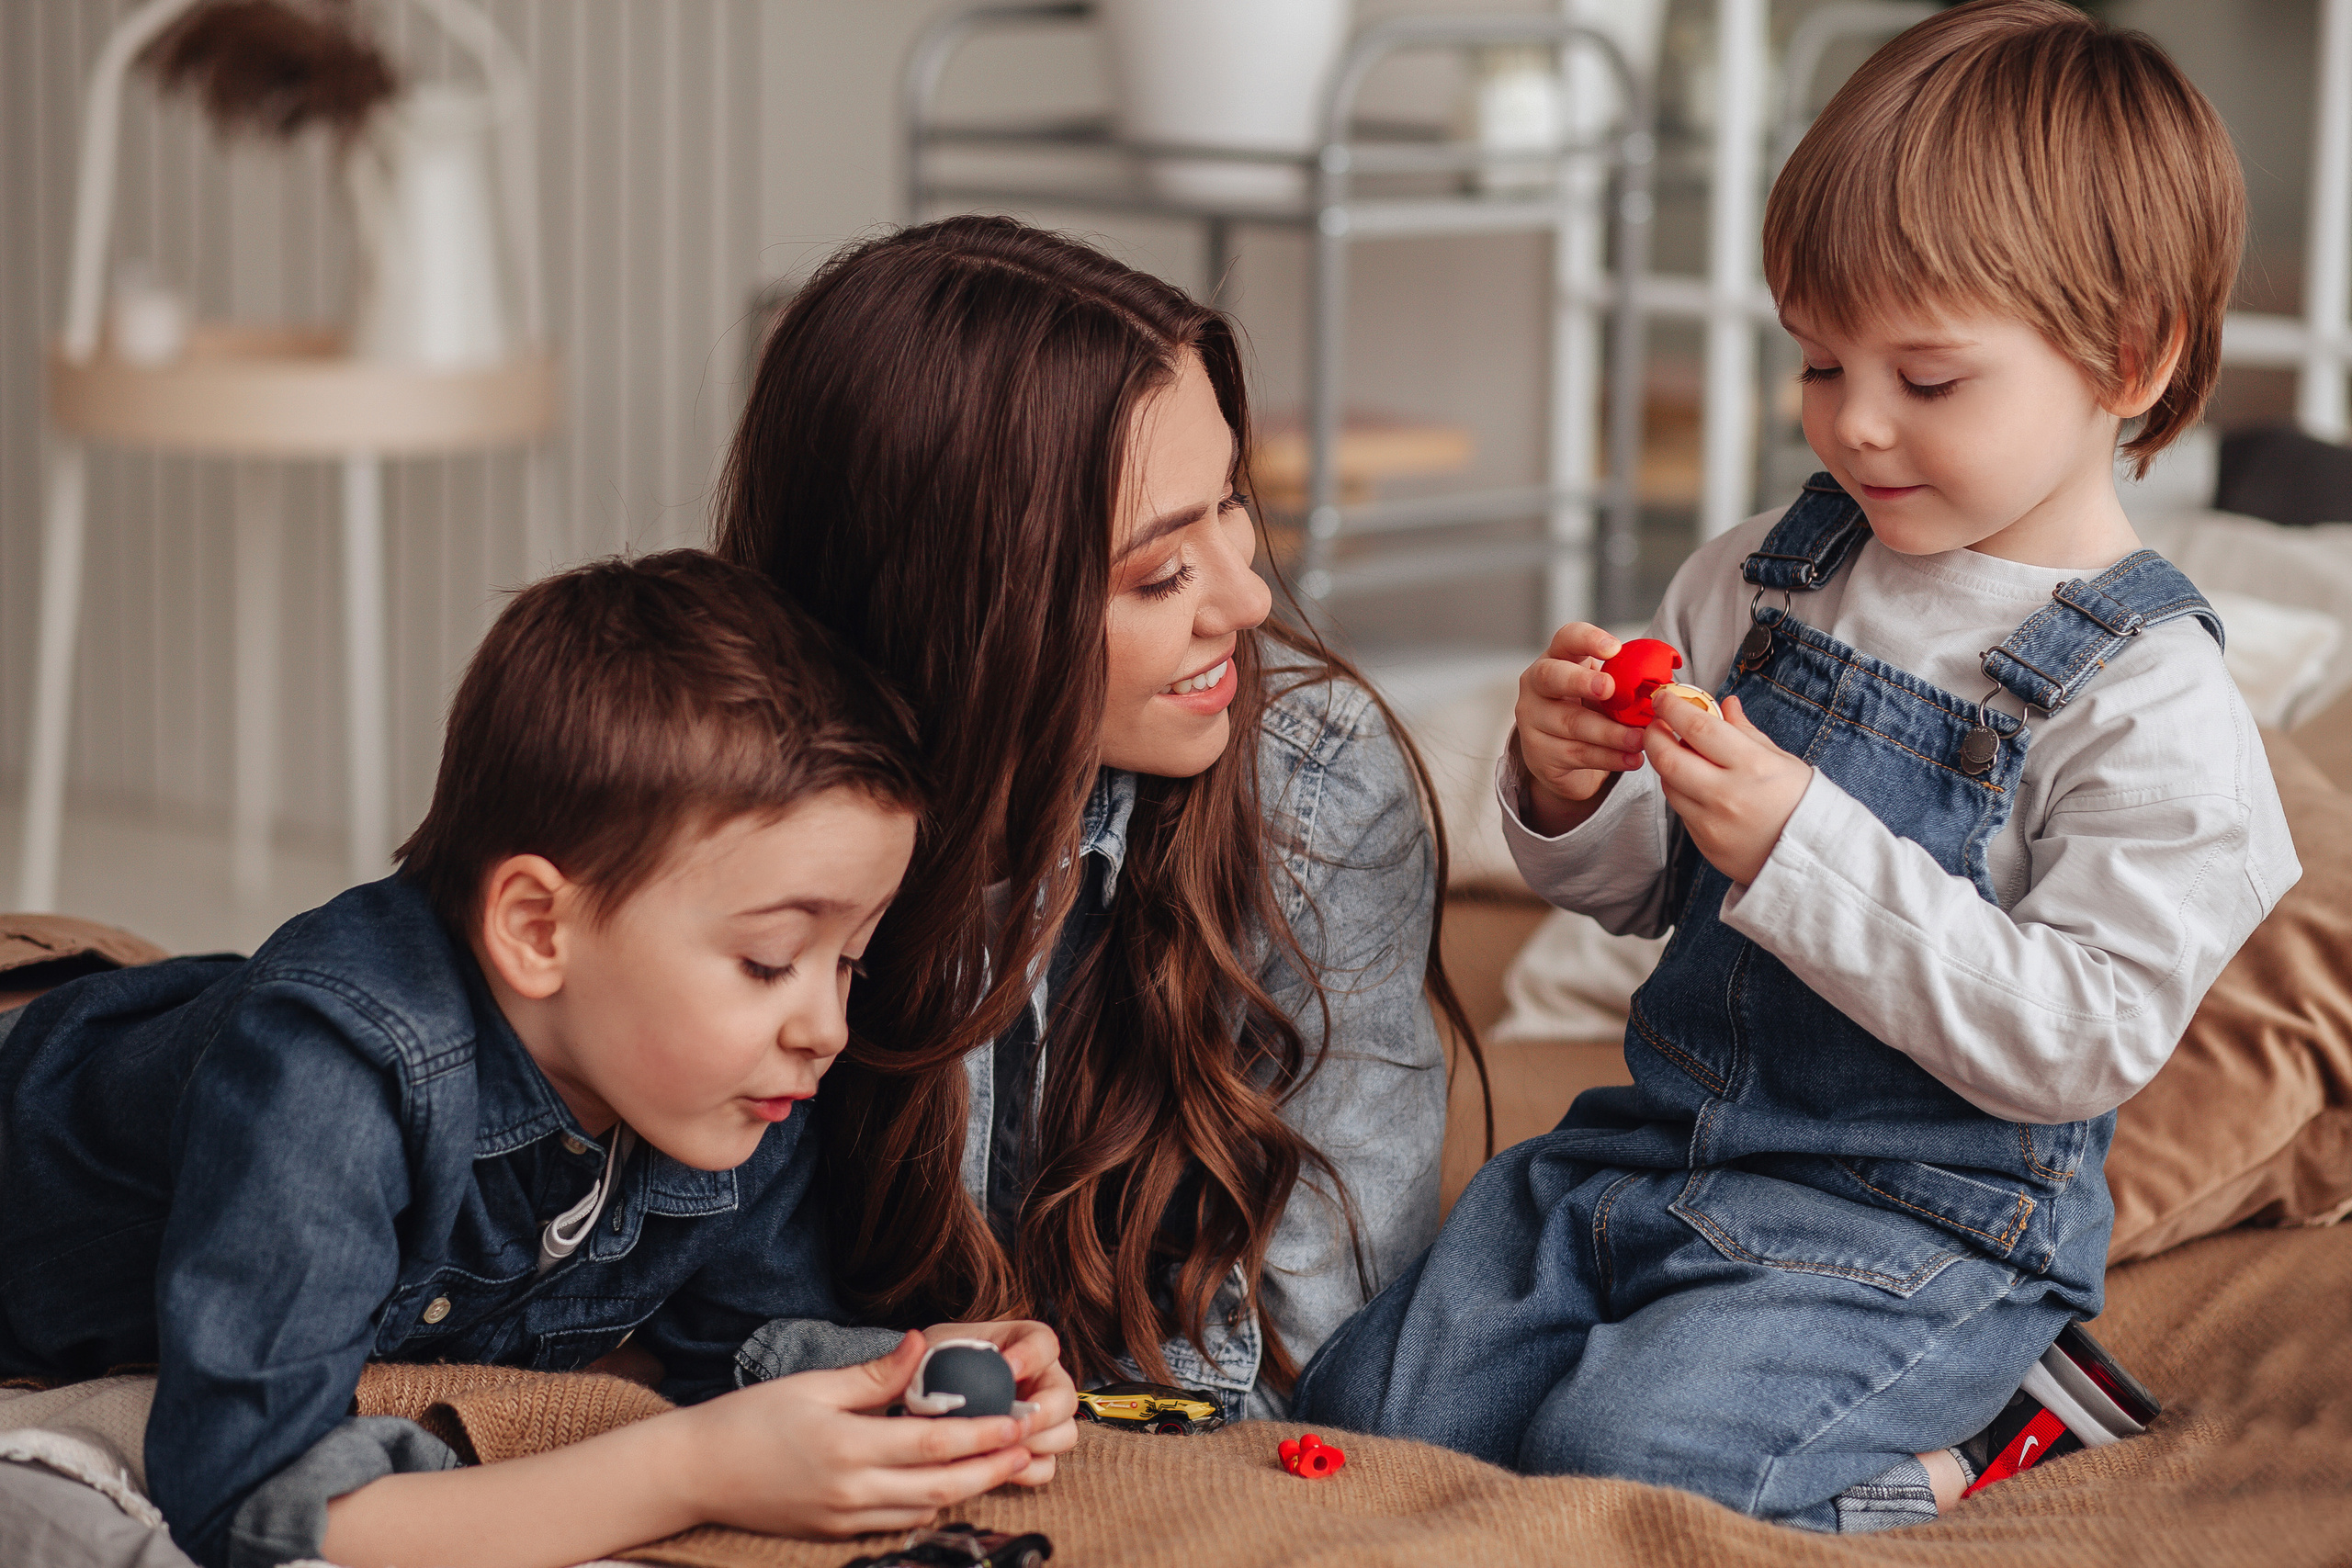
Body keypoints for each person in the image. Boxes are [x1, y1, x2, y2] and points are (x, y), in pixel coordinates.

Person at [1293, 0, 2299, 1533]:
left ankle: (1976, 1442)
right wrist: (1570, 788)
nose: (1856, 423)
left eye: (1930, 378)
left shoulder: (2153, 703)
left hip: (1910, 1225)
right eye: (1822, 361)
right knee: (1373, 1406)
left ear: (2129, 354)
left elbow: (2077, 1037)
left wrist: (1800, 842)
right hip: (1650, 1152)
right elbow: (1638, 891)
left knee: (1636, 1463)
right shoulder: (1765, 576)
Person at [0, 551, 1078, 1568]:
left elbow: (736, 1344)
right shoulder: (335, 1074)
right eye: (766, 961)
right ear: (537, 928)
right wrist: (690, 1472)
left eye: (847, 961)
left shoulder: (737, 1088)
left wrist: (914, 1376)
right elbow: (249, 1503)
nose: (826, 1027)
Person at [714, 216, 1482, 1420]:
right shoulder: (721, 809)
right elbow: (684, 1312)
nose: (1250, 593)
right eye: (1158, 572)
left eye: (1233, 504)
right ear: (956, 614)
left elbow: (1326, 1347)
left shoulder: (1321, 789)